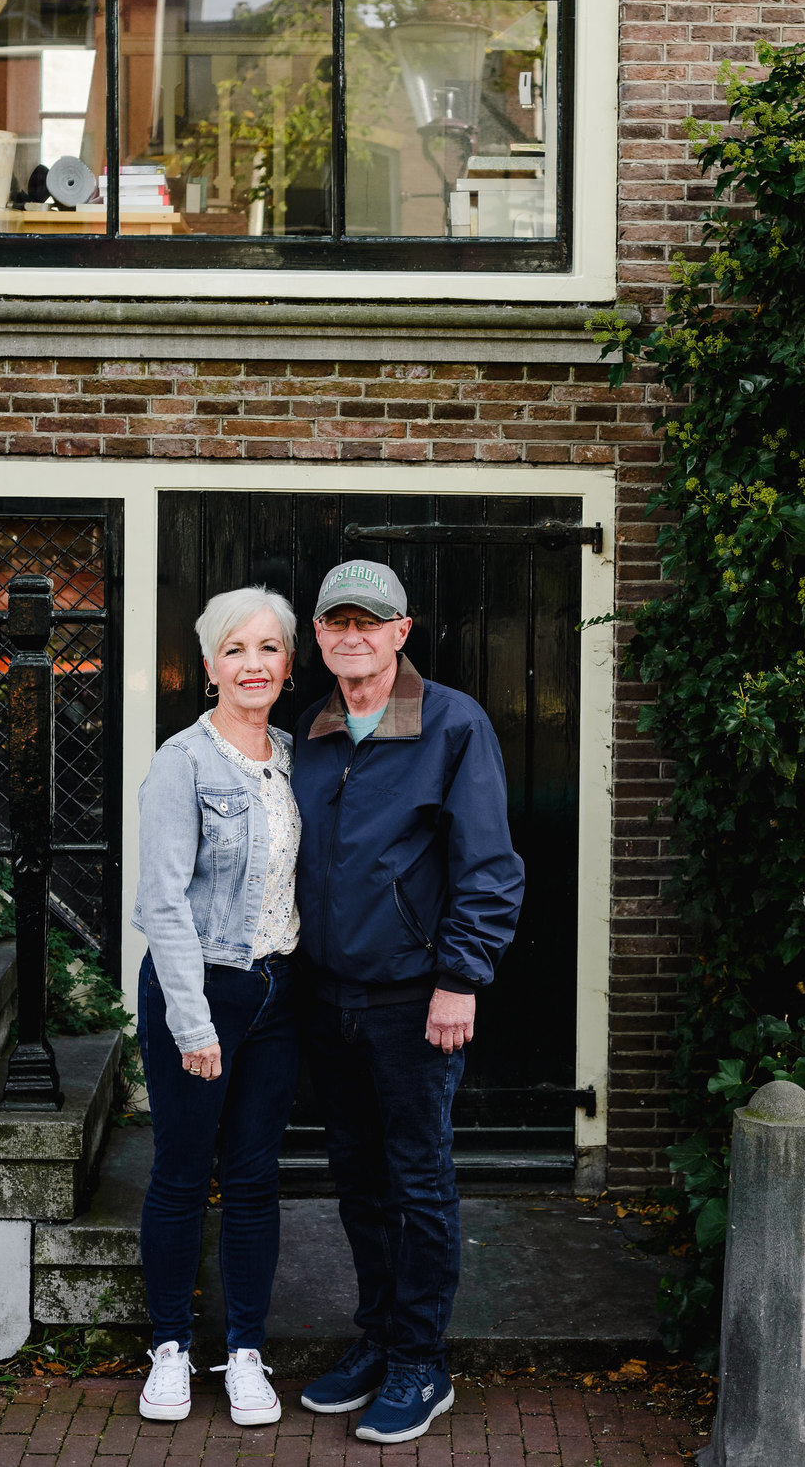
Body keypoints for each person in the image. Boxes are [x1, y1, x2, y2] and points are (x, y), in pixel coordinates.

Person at [291, 558, 525, 1445]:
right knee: (356, 1177)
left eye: (370, 622)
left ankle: (423, 1362)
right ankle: (379, 1337)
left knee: (417, 1179)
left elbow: (490, 867)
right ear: (319, 636)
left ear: (401, 632)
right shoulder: (307, 731)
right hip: (328, 996)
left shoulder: (451, 724)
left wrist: (460, 978)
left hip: (414, 1000)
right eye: (336, 622)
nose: (352, 636)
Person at [132, 586, 302, 1428]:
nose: (252, 665)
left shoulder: (295, 759)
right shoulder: (183, 761)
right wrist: (193, 1023)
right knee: (179, 1173)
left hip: (277, 993)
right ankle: (169, 1348)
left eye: (267, 648)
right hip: (200, 988)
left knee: (252, 1178)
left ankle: (243, 1352)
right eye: (235, 649)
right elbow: (161, 904)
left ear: (288, 665)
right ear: (208, 667)